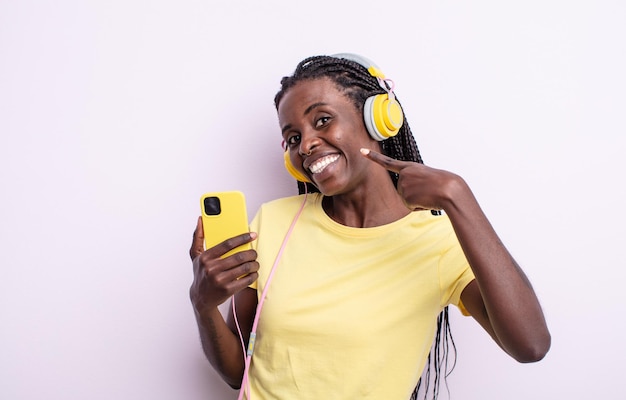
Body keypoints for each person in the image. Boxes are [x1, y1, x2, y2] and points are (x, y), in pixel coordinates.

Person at [188, 53, 551, 400]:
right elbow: (238, 371)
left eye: (322, 120)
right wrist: (203, 305)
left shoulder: (439, 242)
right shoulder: (273, 221)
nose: (307, 144)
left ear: (378, 120)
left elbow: (530, 345)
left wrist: (458, 197)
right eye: (294, 138)